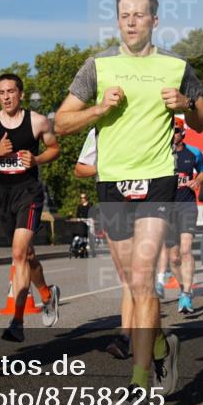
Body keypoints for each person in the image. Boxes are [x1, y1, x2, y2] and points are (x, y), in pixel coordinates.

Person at [55, 0, 203, 405]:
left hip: (158, 181)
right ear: (117, 21)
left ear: (155, 21)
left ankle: (139, 388)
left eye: (140, 15)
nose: (131, 22)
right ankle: (161, 345)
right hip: (113, 185)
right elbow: (62, 121)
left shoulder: (176, 67)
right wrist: (98, 109)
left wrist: (185, 106)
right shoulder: (98, 67)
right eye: (124, 15)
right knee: (132, 281)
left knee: (143, 280)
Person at [0, 74, 61, 343]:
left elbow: (54, 148)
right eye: (1, 92)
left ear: (20, 93)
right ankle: (47, 294)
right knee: (28, 256)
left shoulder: (37, 121)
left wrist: (36, 159)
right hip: (3, 196)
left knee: (18, 253)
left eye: (11, 91)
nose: (7, 96)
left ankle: (18, 322)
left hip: (29, 193)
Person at [76, 128, 133, 358]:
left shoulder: (149, 121)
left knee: (137, 276)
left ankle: (128, 337)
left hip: (145, 203)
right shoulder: (98, 129)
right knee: (127, 277)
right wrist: (106, 166)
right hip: (112, 204)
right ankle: (137, 336)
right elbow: (79, 169)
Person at [165, 124, 203, 314]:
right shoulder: (161, 151)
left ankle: (187, 294)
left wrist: (198, 180)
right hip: (166, 208)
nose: (173, 135)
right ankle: (182, 288)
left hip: (187, 205)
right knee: (173, 257)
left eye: (176, 131)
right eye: (170, 131)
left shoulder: (194, 152)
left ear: (183, 133)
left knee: (186, 249)